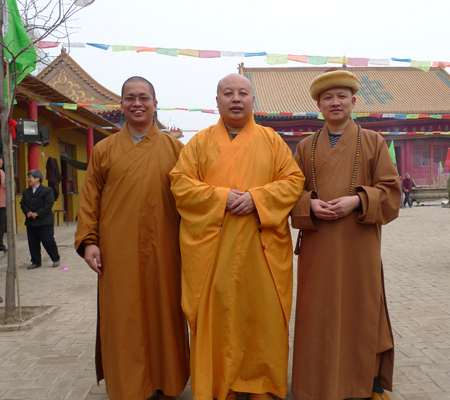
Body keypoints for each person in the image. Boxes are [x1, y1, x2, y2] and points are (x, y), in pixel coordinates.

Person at [170, 74, 304, 400]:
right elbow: (180, 184)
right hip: (214, 252)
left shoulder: (271, 141)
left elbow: (293, 180)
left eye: (243, 92)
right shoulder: (199, 143)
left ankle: (261, 386)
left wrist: (258, 199)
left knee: (263, 316)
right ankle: (219, 385)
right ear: (216, 101)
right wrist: (221, 198)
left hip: (262, 250)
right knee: (218, 318)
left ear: (253, 100)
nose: (236, 98)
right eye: (227, 93)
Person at [75, 76, 189, 400]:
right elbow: (89, 200)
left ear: (155, 104)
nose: (136, 103)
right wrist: (89, 241)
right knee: (122, 316)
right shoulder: (104, 149)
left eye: (143, 97)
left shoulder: (175, 149)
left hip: (166, 247)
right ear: (121, 105)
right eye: (129, 98)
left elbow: (193, 199)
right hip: (116, 250)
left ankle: (166, 380)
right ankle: (127, 385)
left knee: (165, 312)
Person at [290, 69, 401, 400]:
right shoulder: (305, 146)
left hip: (358, 243)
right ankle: (315, 384)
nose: (335, 102)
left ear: (354, 102)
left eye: (341, 96)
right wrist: (309, 205)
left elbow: (391, 191)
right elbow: (290, 191)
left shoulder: (373, 142)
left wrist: (357, 199)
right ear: (318, 106)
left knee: (361, 307)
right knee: (317, 311)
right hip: (318, 244)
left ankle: (362, 381)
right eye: (327, 97)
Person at [20, 169, 60, 269]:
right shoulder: (26, 192)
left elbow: (48, 204)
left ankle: (55, 258)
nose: (28, 179)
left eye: (30, 177)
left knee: (47, 240)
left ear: (37, 178)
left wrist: (37, 214)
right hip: (31, 222)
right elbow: (23, 204)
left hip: (44, 221)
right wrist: (28, 212)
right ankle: (36, 261)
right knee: (33, 242)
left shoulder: (47, 190)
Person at [0, 155, 6, 251]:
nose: (1, 162)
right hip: (1, 202)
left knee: (1, 225)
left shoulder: (2, 172)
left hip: (2, 202)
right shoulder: (1, 173)